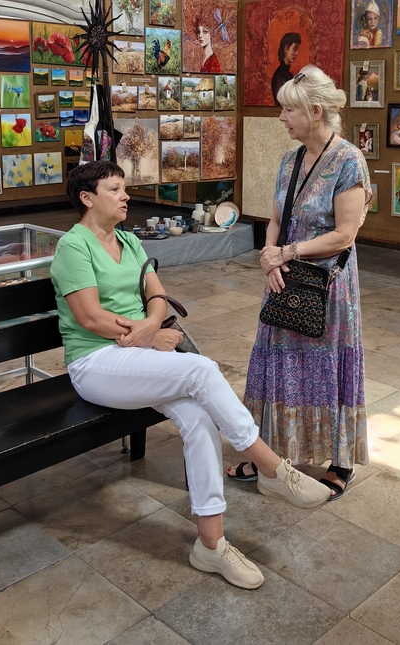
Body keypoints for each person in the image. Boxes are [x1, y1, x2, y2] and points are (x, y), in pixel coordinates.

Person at [49, 161, 330, 591]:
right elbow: (90, 318)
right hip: (96, 362)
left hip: (137, 356)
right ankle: (270, 466)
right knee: (201, 369)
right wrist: (149, 335)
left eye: (124, 188)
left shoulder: (128, 240)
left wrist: (151, 327)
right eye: (115, 189)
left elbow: (157, 295)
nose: (126, 196)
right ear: (87, 198)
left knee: (199, 418)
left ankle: (210, 545)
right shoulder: (74, 247)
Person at [229, 65, 371, 499]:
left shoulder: (349, 160)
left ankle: (340, 460)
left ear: (315, 111)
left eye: (288, 110)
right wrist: (269, 257)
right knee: (280, 364)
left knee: (327, 365)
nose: (281, 118)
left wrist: (286, 253)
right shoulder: (289, 160)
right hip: (284, 278)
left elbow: (344, 234)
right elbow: (276, 219)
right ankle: (273, 454)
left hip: (328, 284)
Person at [271, 32, 301, 104]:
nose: (296, 53)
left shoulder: (288, 74)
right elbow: (281, 102)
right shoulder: (279, 75)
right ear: (286, 49)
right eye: (294, 49)